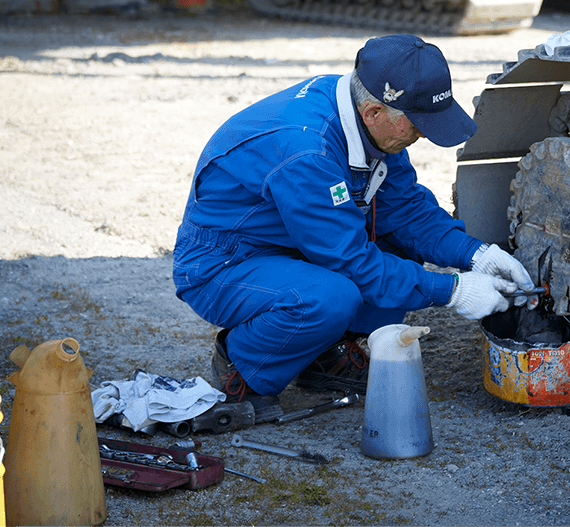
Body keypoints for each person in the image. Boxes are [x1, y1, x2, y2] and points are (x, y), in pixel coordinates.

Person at [172, 34, 535, 422]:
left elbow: (406, 210)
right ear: (373, 113)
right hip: (224, 263)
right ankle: (241, 367)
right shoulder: (306, 150)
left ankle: (321, 354)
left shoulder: (365, 115)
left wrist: (475, 254)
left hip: (293, 244)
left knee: (398, 249)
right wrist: (454, 290)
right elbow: (351, 263)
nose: (425, 135)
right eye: (418, 124)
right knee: (330, 296)